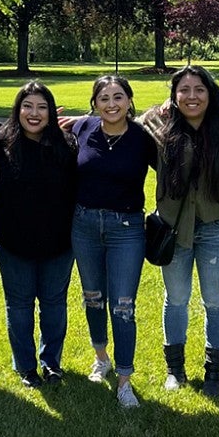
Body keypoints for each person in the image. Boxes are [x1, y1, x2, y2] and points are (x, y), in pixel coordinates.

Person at [138, 65, 219, 396]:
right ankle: (175, 370)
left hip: (216, 226)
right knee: (177, 298)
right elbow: (125, 124)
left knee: (215, 300)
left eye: (199, 89)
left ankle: (214, 372)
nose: (192, 96)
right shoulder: (160, 128)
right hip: (173, 228)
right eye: (184, 90)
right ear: (174, 96)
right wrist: (152, 112)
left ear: (210, 94)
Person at [70, 75, 157, 408]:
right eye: (104, 98)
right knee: (93, 298)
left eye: (118, 97)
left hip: (127, 228)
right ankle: (101, 357)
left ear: (129, 102)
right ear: (94, 103)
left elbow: (172, 168)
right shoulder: (82, 128)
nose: (111, 104)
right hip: (84, 225)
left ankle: (124, 380)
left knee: (123, 306)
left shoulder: (142, 138)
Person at [0, 81, 77, 388]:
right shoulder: (0, 143)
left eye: (42, 107)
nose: (34, 113)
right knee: (20, 305)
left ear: (52, 112)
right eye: (28, 106)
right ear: (17, 110)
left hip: (59, 243)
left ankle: (51, 363)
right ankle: (26, 366)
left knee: (54, 305)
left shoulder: (67, 145)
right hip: (13, 242)